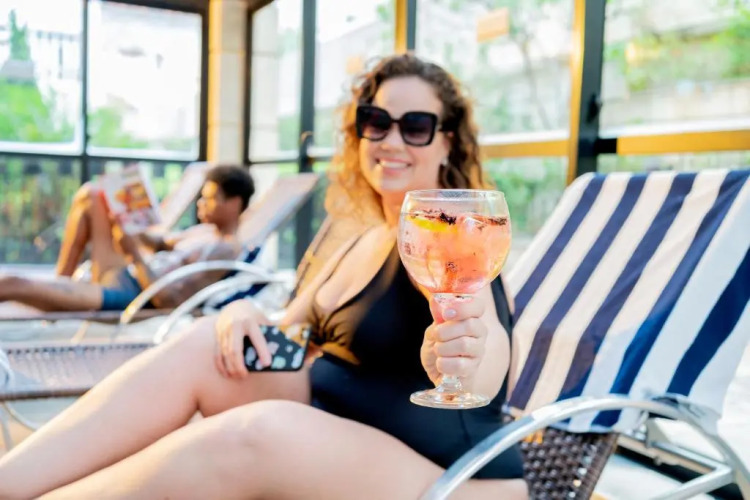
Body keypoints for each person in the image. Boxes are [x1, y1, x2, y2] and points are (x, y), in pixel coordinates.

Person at [0, 54, 528, 499]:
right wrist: (240, 310)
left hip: (456, 479)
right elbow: (287, 324)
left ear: (447, 142)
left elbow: (483, 343)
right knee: (207, 342)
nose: (391, 140)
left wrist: (467, 356)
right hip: (345, 429)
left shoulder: (447, 231)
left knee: (257, 432)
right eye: (375, 121)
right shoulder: (364, 237)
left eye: (415, 126)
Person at [0, 165, 254, 312]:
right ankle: (62, 282)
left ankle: (62, 288)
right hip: (128, 274)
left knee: (11, 284)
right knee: (93, 194)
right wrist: (129, 220)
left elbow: (169, 301)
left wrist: (133, 254)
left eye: (210, 199)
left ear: (234, 203)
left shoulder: (225, 250)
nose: (201, 203)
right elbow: (159, 244)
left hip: (130, 293)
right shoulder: (203, 232)